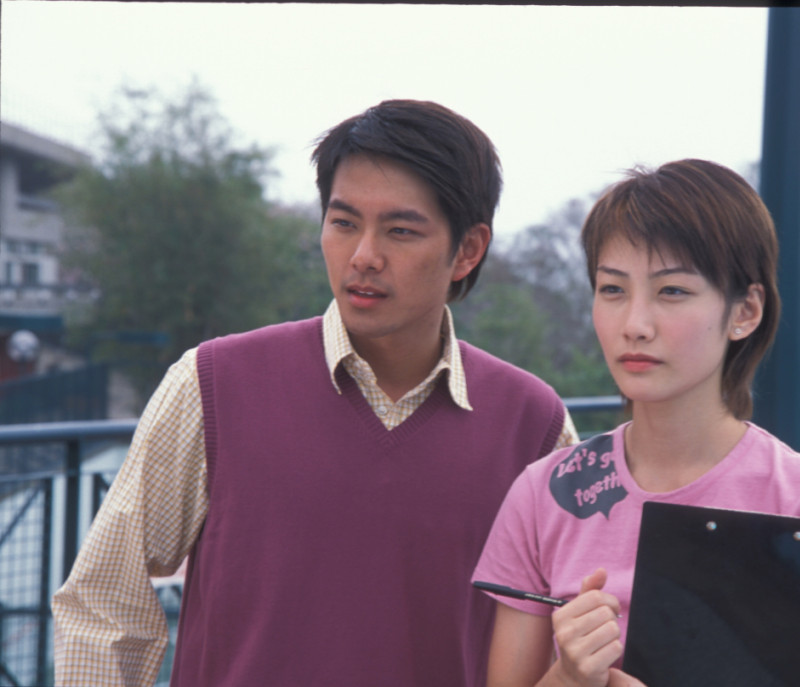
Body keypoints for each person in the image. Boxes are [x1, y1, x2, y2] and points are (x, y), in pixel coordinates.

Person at [52, 99, 579, 687]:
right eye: (343, 222)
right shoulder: (213, 384)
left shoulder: (535, 426)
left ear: (468, 250)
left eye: (400, 231)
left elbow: (571, 642)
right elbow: (104, 604)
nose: (364, 256)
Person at [472, 159, 800, 687]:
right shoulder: (545, 494)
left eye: (672, 291)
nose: (635, 324)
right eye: (612, 289)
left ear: (745, 312)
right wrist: (569, 677)